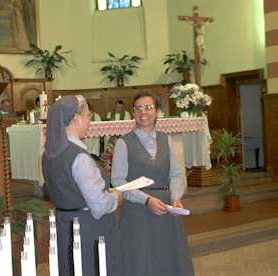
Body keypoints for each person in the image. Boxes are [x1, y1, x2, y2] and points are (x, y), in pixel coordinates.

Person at [111, 91, 195, 276]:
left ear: (157, 111)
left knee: (169, 259)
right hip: (138, 211)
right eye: (138, 108)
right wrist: (147, 200)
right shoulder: (123, 143)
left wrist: (175, 198)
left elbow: (176, 174)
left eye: (148, 107)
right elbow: (118, 181)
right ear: (133, 112)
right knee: (141, 262)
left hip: (166, 208)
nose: (143, 112)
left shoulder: (167, 139)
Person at [42, 95, 123, 276]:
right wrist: (116, 197)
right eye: (88, 116)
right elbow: (100, 205)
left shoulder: (48, 154)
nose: (89, 120)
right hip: (89, 229)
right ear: (76, 119)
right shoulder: (80, 158)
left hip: (65, 226)